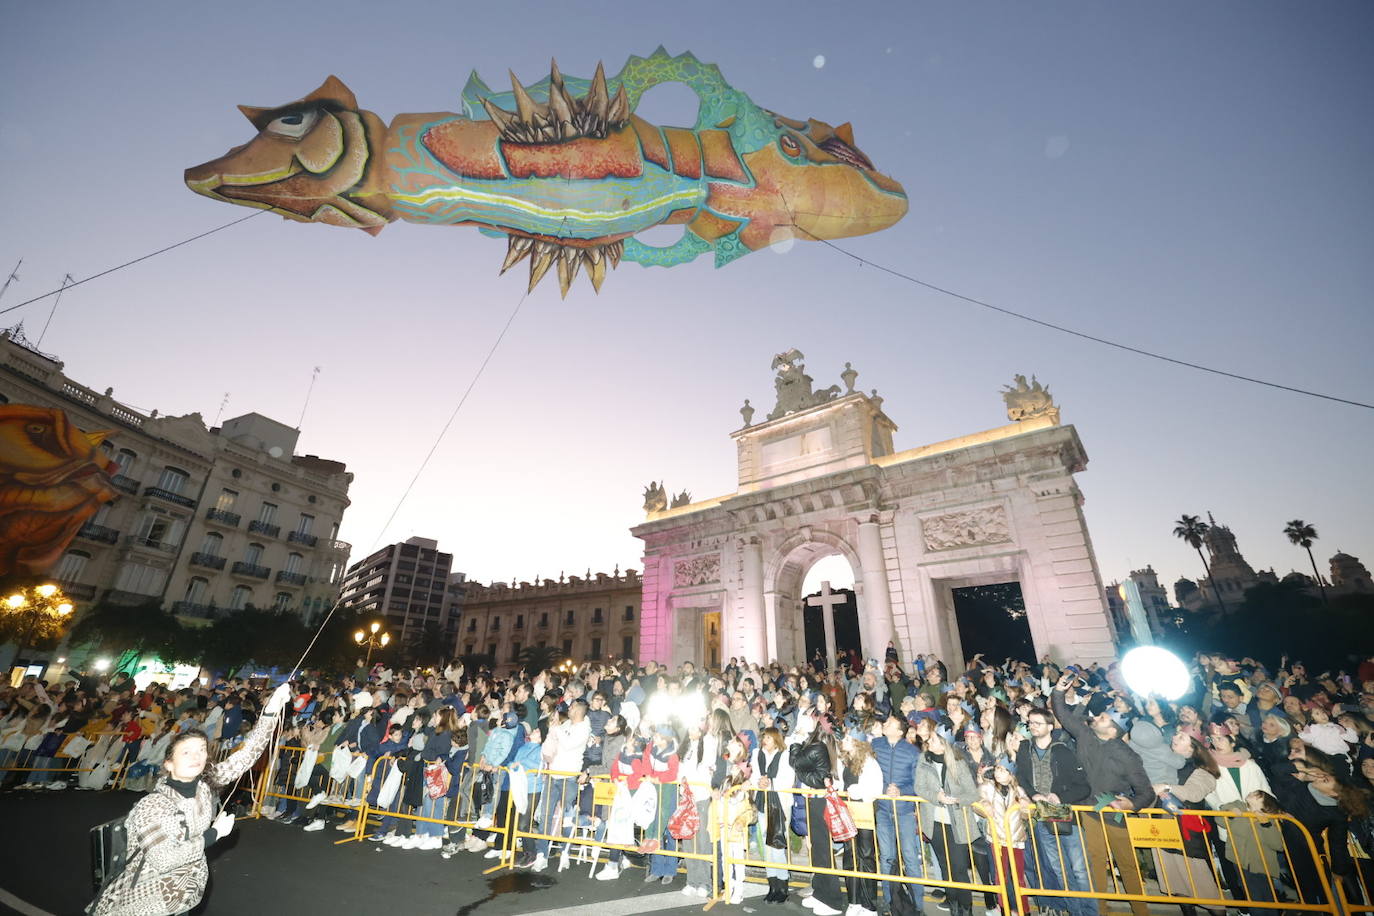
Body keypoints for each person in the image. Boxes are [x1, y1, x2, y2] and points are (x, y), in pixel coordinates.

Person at [89, 683, 290, 916]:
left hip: (184, 895)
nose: (196, 757)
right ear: (168, 763)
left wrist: (271, 709)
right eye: (186, 752)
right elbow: (164, 859)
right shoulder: (153, 805)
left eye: (201, 750)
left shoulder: (205, 785)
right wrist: (214, 834)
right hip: (145, 900)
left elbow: (249, 753)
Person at [1050, 672, 1154, 916]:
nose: (1096, 717)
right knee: (1094, 860)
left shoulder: (1128, 756)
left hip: (1114, 811)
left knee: (1126, 863)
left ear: (1114, 730)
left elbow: (1146, 792)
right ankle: (1098, 910)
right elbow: (1063, 715)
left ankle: (1141, 910)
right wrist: (1058, 691)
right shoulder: (1086, 735)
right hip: (1089, 808)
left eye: (1104, 717)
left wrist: (1132, 804)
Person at [1015, 705, 1094, 916]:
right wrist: (1033, 794)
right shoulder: (1024, 748)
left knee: (1079, 869)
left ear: (1050, 727)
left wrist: (1060, 797)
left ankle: (1089, 912)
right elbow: (1021, 776)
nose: (1032, 726)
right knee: (1058, 868)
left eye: (1037, 723)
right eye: (1030, 722)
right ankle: (1076, 911)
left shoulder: (1063, 750)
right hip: (1041, 813)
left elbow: (1083, 786)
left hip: (1064, 813)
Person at [915, 726, 979, 916]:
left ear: (943, 745)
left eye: (933, 740)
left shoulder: (958, 762)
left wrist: (957, 799)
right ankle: (953, 905)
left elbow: (972, 793)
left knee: (959, 868)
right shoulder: (924, 759)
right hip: (933, 822)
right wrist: (937, 797)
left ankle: (966, 908)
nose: (929, 742)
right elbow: (919, 788)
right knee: (944, 866)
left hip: (957, 822)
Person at [839, 728, 883, 916]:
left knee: (866, 857)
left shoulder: (870, 763)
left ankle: (869, 904)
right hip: (848, 812)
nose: (844, 740)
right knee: (850, 856)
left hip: (863, 812)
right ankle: (854, 901)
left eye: (848, 738)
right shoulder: (845, 761)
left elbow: (875, 789)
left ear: (857, 742)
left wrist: (859, 791)